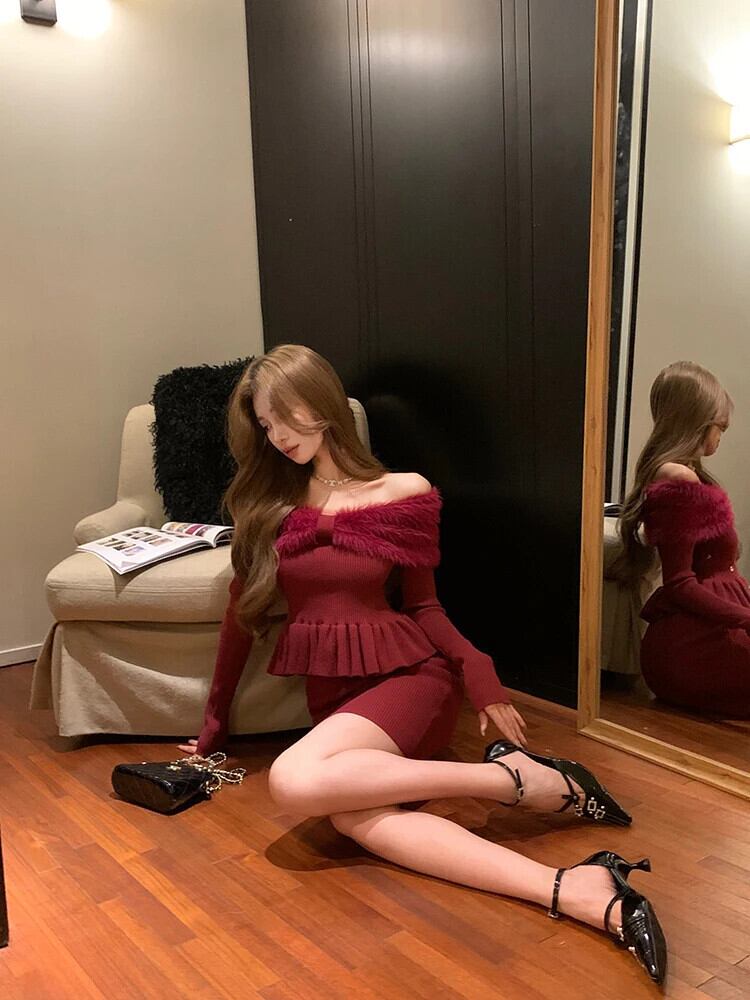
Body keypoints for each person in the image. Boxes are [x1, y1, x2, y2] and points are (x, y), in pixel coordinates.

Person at [178, 344, 666, 985]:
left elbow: (425, 607)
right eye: (265, 425)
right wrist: (213, 726)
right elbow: (237, 622)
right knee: (354, 815)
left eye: (285, 415)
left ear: (321, 401)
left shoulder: (404, 490)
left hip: (411, 680)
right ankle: (574, 888)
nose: (278, 435)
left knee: (294, 782)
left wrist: (479, 671)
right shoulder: (267, 507)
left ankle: (516, 781)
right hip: (337, 702)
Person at [617, 360, 750, 717]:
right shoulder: (677, 478)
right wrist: (745, 618)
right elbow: (679, 584)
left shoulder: (688, 474)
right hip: (693, 646)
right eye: (719, 427)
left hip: (708, 632)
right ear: (696, 421)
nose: (720, 437)